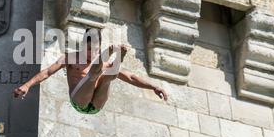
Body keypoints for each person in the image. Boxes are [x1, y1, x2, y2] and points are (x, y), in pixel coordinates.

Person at [13, 28, 168, 115]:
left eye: (95, 50)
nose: (91, 54)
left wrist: (154, 86)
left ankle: (119, 56)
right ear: (82, 46)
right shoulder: (70, 58)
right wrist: (27, 85)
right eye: (88, 49)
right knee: (94, 74)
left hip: (96, 106)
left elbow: (131, 77)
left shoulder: (101, 62)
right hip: (79, 101)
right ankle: (111, 53)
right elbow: (47, 72)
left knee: (110, 74)